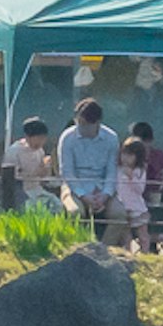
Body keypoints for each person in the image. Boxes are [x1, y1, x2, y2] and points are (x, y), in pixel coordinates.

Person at [54, 98, 120, 229]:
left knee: (120, 215)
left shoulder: (111, 138)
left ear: (98, 122)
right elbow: (67, 172)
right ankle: (79, 248)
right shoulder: (67, 137)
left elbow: (112, 171)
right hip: (74, 187)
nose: (81, 127)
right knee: (75, 213)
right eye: (79, 122)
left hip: (102, 187)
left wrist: (105, 195)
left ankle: (106, 248)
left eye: (85, 124)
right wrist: (83, 195)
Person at [113, 119, 163, 249]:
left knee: (143, 235)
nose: (126, 158)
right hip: (123, 206)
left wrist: (131, 177)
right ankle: (128, 257)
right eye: (124, 154)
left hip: (137, 206)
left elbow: (140, 189)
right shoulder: (118, 170)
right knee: (126, 237)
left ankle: (145, 254)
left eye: (130, 155)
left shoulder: (139, 171)